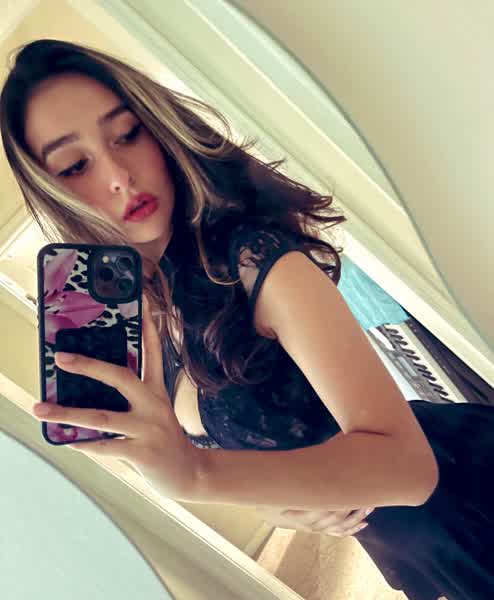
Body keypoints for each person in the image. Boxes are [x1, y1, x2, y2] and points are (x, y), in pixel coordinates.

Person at [1, 39, 493, 600]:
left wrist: (197, 476)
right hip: (403, 542)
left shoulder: (254, 261)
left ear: (158, 128)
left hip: (464, 501)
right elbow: (262, 462)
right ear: (53, 193)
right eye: (75, 166)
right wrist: (279, 503)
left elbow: (409, 468)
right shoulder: (148, 315)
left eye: (128, 134)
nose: (118, 175)